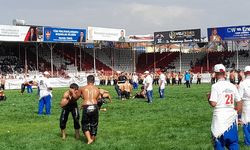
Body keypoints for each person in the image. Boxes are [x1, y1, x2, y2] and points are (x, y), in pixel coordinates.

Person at [208, 64, 242, 149]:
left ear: (215, 74)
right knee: (233, 143)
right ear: (224, 74)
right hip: (231, 117)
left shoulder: (215, 86)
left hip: (219, 117)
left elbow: (213, 103)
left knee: (219, 142)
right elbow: (239, 101)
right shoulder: (232, 85)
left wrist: (208, 98)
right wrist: (237, 111)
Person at [70, 75, 100, 144]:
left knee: (85, 123)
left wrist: (72, 92)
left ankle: (89, 139)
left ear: (87, 81)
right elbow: (97, 99)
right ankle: (92, 139)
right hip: (95, 106)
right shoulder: (97, 89)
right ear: (94, 81)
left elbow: (75, 97)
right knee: (94, 123)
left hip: (86, 106)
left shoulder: (82, 88)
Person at [238, 66, 250, 146]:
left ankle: (248, 142)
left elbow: (239, 98)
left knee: (246, 122)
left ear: (245, 73)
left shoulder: (242, 83)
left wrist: (238, 111)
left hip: (246, 104)